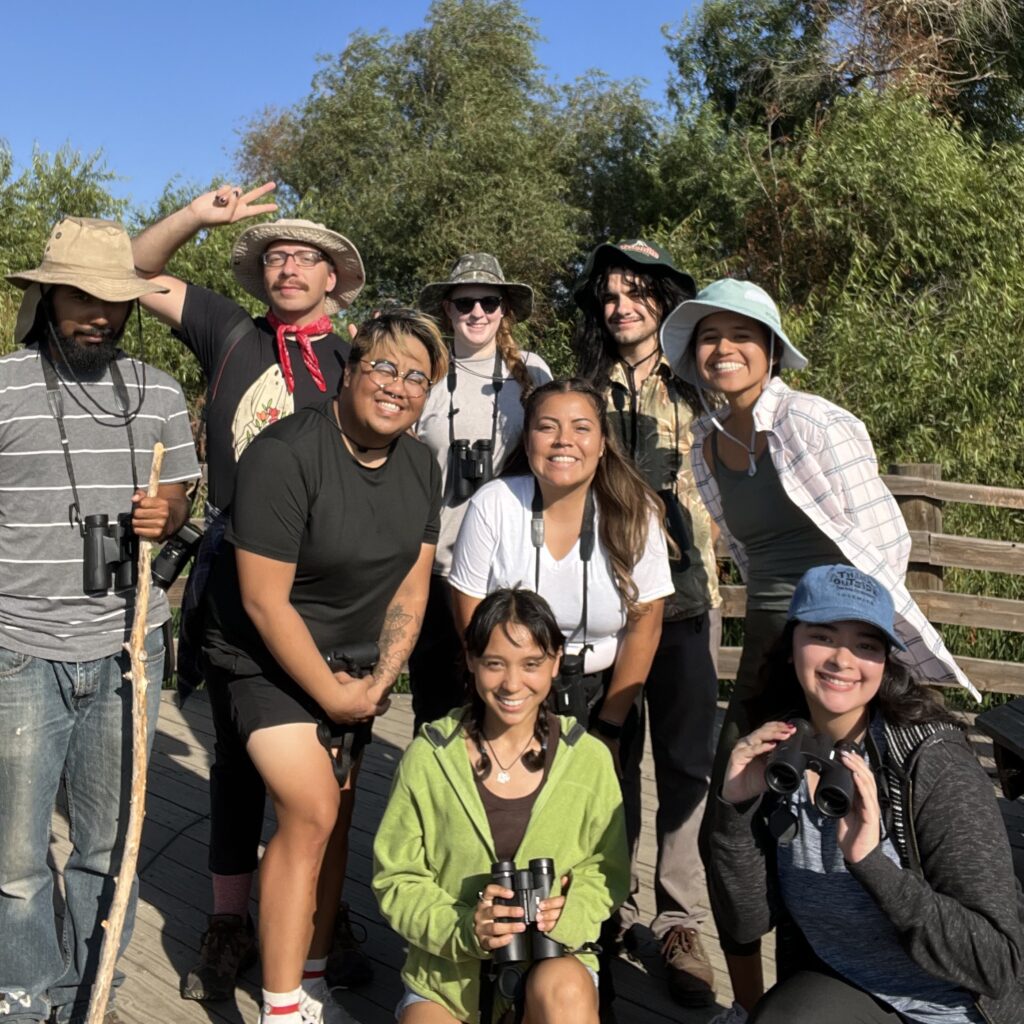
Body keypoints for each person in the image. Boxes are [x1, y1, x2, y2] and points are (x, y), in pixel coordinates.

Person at [659, 277, 980, 1022]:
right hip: (772, 649)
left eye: (741, 335)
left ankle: (907, 985)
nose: (722, 350)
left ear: (771, 350)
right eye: (709, 338)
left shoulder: (814, 422)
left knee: (867, 812)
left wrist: (851, 648)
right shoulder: (708, 446)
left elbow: (885, 545)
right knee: (731, 821)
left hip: (842, 644)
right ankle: (751, 1004)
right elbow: (745, 549)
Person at [131, 183, 371, 998]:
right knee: (236, 757)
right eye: (275, 255)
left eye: (305, 256)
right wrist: (200, 216)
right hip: (235, 577)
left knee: (327, 761)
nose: (288, 266)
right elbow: (132, 269)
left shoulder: (356, 363)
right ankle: (229, 923)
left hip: (328, 585)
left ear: (334, 276)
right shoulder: (228, 333)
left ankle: (316, 913)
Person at [199, 308, 447, 1024]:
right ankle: (282, 1011)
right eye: (382, 366)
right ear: (348, 370)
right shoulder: (286, 453)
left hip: (356, 662)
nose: (397, 386)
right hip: (261, 657)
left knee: (335, 822)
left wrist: (380, 678)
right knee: (310, 811)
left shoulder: (420, 465)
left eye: (416, 377)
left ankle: (310, 976)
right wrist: (330, 697)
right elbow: (263, 600)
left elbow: (412, 583)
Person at [0, 218, 200, 1023]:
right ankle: (24, 996)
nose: (99, 314)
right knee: (15, 857)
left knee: (106, 849)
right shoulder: (6, 385)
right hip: (20, 651)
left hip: (129, 649)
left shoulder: (155, 391)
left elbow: (184, 495)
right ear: (48, 295)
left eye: (114, 300)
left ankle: (92, 992)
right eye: (81, 295)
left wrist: (168, 510)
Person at [707, 564, 1024, 1024]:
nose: (842, 659)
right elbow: (746, 924)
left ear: (885, 662)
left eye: (866, 645)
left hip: (961, 1010)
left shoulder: (931, 763)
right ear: (791, 642)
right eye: (823, 635)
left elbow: (996, 965)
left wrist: (873, 865)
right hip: (851, 992)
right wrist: (736, 812)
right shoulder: (777, 755)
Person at [572, 239, 720, 1006]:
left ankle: (680, 919)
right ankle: (610, 903)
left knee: (690, 762)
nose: (621, 306)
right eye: (610, 295)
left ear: (663, 299)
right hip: (608, 606)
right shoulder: (585, 387)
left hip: (690, 603)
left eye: (636, 293)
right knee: (612, 756)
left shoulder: (701, 376)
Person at [373, 587, 630, 1024]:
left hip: (554, 961)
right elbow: (398, 878)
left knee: (565, 989)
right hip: (448, 980)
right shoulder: (430, 757)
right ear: (471, 661)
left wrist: (567, 915)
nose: (513, 684)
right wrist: (464, 927)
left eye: (531, 664)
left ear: (555, 662)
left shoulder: (587, 759)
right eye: (495, 664)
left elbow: (606, 869)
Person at [411, 252, 551, 731]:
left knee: (512, 707)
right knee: (435, 708)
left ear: (503, 310)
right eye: (465, 302)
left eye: (489, 301)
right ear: (447, 310)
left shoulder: (531, 374)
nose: (477, 312)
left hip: (510, 569)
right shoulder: (424, 372)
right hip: (437, 567)